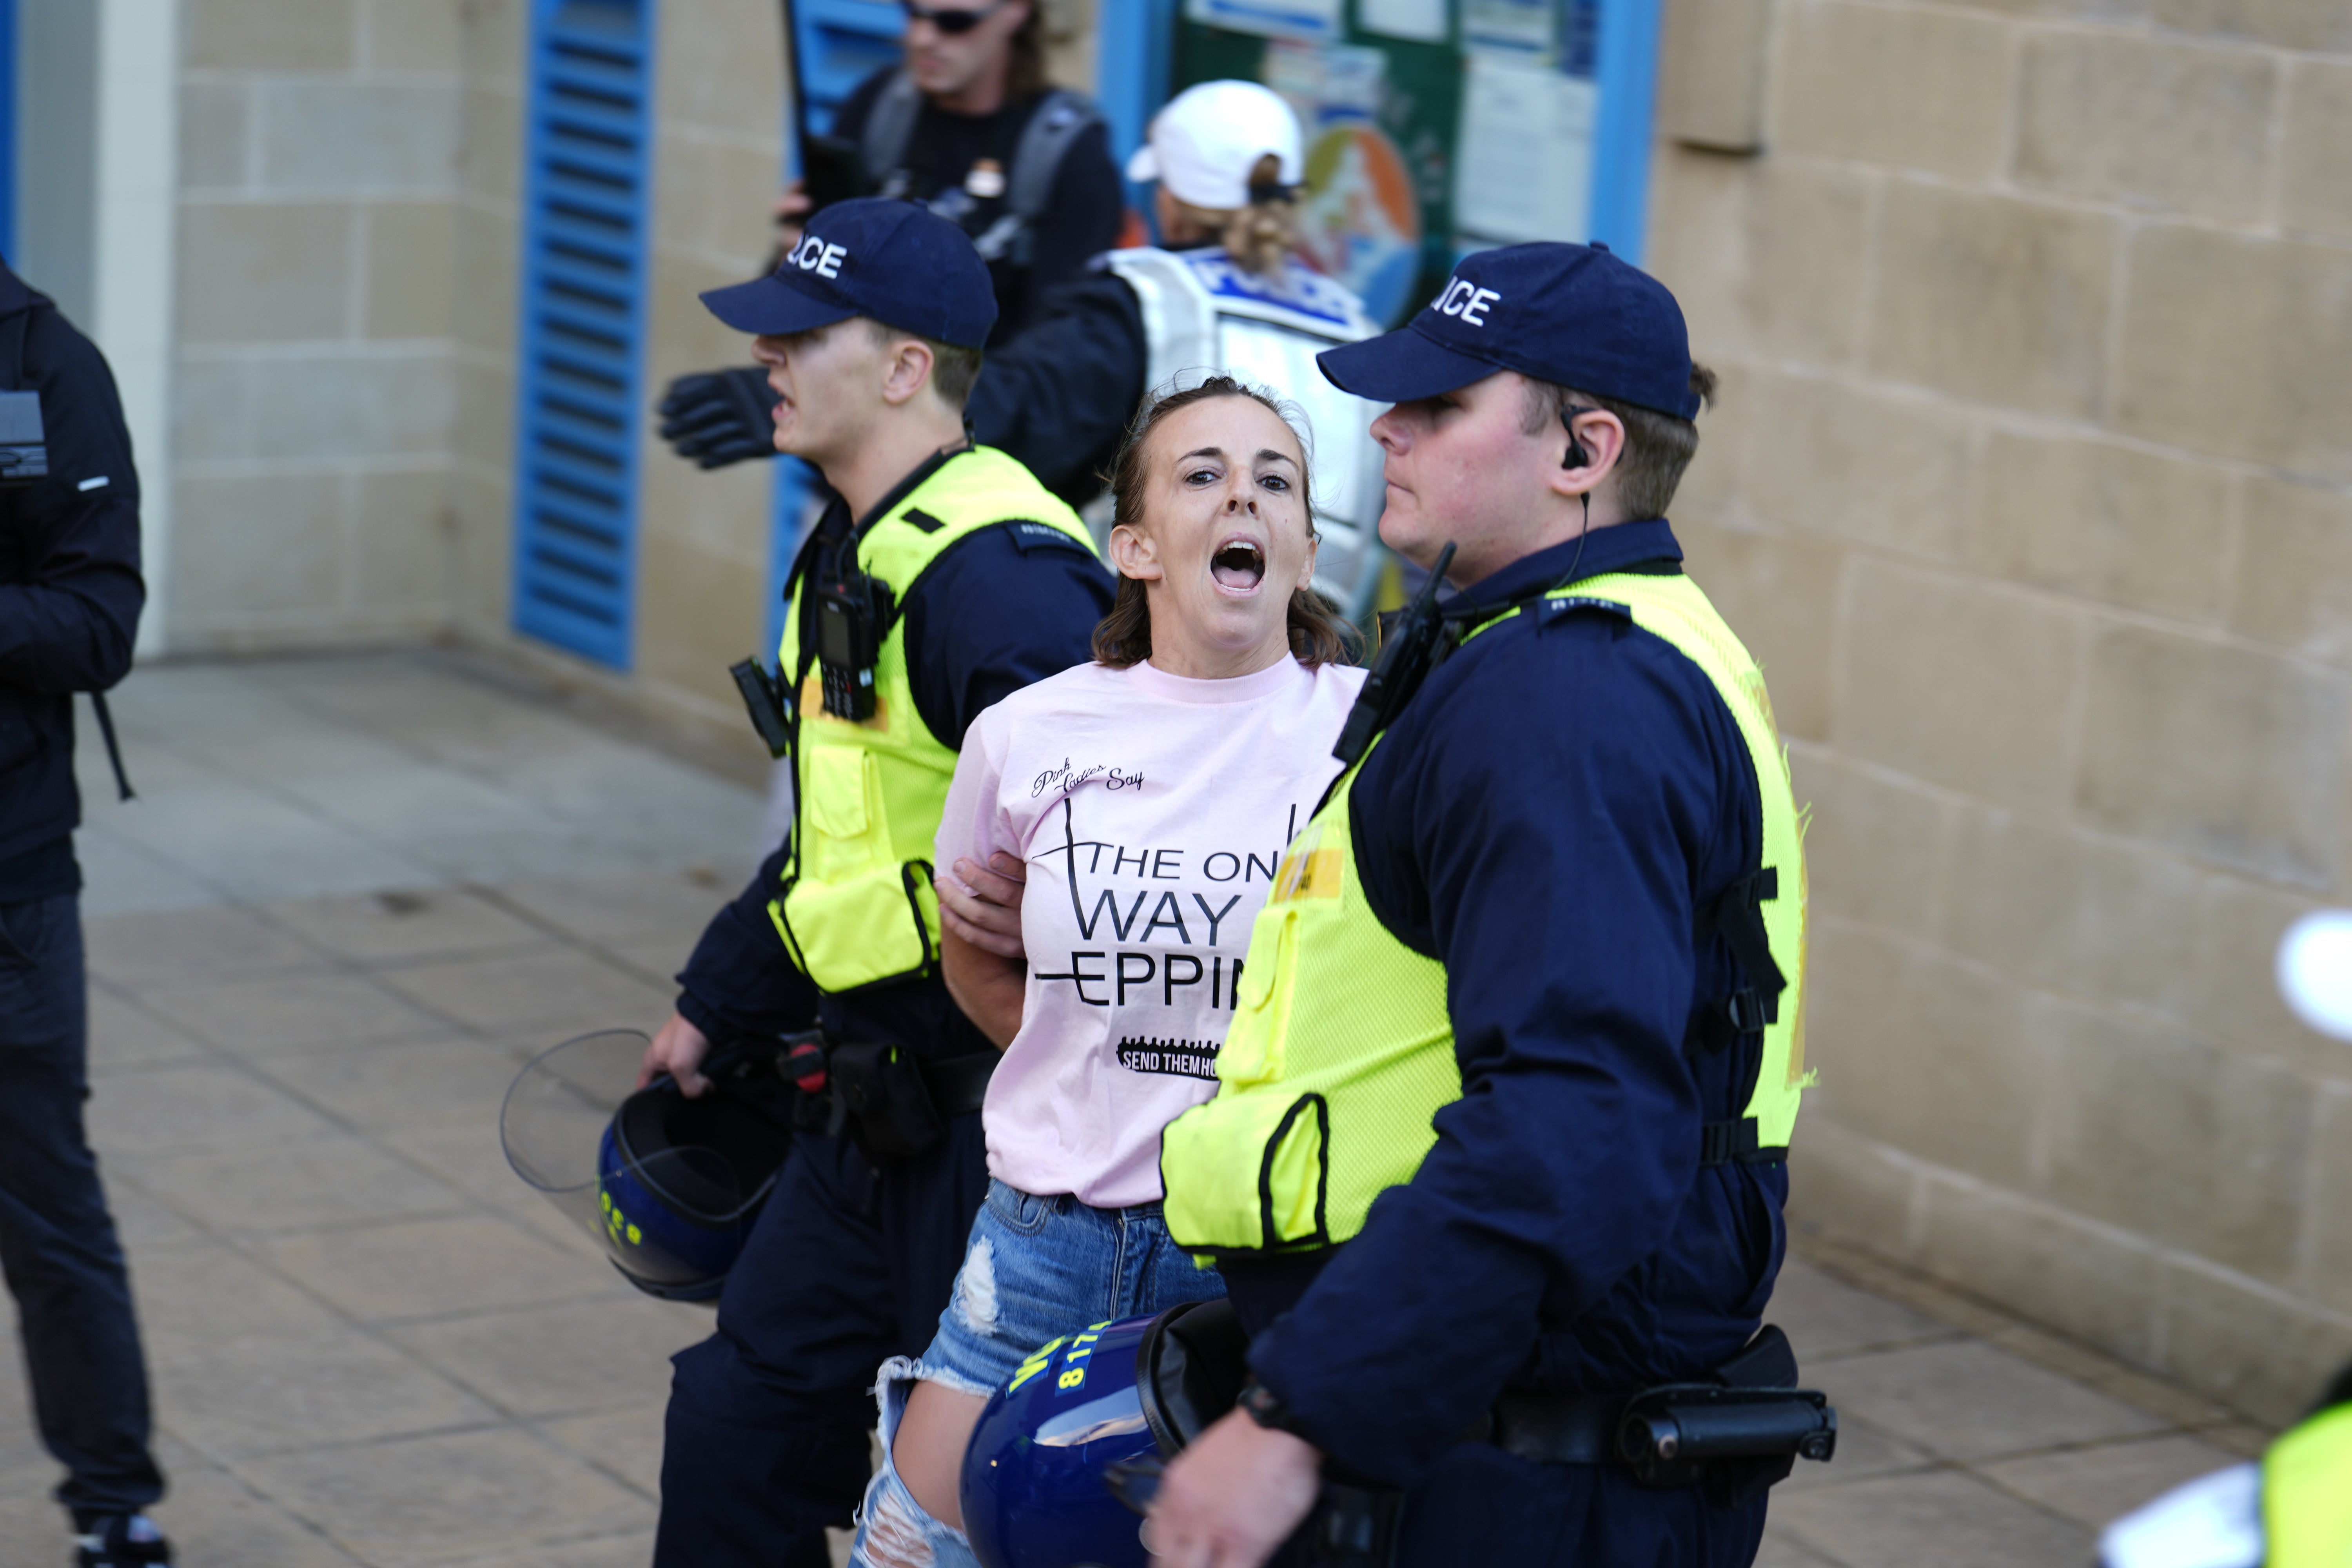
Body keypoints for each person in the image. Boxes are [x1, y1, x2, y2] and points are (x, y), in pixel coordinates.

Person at [1145, 242, 1811, 1566]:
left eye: (1442, 408)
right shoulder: (1597, 642)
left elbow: (1579, 1109)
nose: (1384, 426)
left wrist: (1300, 1418)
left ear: (1584, 451)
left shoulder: (1566, 697)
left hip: (1508, 1458)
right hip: (1484, 1407)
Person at [637, 198, 1115, 1568]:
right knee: (740, 1417)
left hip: (989, 1127)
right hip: (865, 1109)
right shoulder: (851, 542)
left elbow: (1119, 849)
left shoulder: (996, 577)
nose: (768, 359)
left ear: (907, 367)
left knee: (983, 1499)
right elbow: (845, 838)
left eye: (802, 335)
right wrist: (714, 999)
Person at [848, 376, 1369, 1568]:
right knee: (912, 1546)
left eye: (1273, 479)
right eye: (1200, 473)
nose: (1242, 491)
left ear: (1298, 544)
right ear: (1132, 546)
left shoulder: (1373, 740)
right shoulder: (1028, 734)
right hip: (1044, 1240)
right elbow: (984, 975)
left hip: (1254, 1260)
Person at [0, 257, 172, 1568]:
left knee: (48, 1213)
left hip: (7, 885)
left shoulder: (43, 366)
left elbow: (96, 621)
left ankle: (115, 1508)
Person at [657, 0, 1123, 477]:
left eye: (953, 22)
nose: (923, 37)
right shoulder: (882, 108)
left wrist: (842, 404)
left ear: (1016, 13)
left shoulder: (1068, 156)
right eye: (913, 14)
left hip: (983, 489)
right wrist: (792, 260)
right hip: (854, 483)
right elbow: (814, 312)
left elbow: (1044, 385)